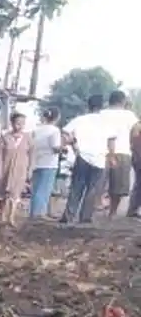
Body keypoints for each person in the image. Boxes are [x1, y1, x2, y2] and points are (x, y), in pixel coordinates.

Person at [62, 94, 115, 224]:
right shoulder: (107, 122)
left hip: (83, 156)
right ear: (102, 106)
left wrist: (73, 143)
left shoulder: (80, 119)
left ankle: (69, 216)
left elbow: (65, 132)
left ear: (88, 105)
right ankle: (86, 217)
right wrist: (112, 156)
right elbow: (111, 140)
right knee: (92, 189)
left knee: (76, 187)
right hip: (99, 159)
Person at [102, 90, 138, 217]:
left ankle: (93, 208)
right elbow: (135, 132)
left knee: (98, 184)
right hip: (122, 152)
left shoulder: (101, 114)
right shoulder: (129, 115)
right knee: (118, 187)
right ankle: (112, 212)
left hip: (100, 152)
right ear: (122, 101)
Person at [0, 112, 33, 225]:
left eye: (22, 124)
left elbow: (32, 155)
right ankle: (1, 215)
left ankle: (11, 217)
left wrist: (30, 170)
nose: (20, 126)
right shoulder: (5, 137)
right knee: (3, 193)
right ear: (12, 123)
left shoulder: (28, 138)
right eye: (17, 123)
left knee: (15, 194)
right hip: (6, 168)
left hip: (20, 170)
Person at [29, 107, 63, 219]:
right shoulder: (54, 130)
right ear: (57, 117)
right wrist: (64, 148)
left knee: (36, 189)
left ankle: (34, 211)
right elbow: (55, 148)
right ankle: (39, 213)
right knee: (44, 189)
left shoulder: (36, 130)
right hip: (49, 163)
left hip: (36, 161)